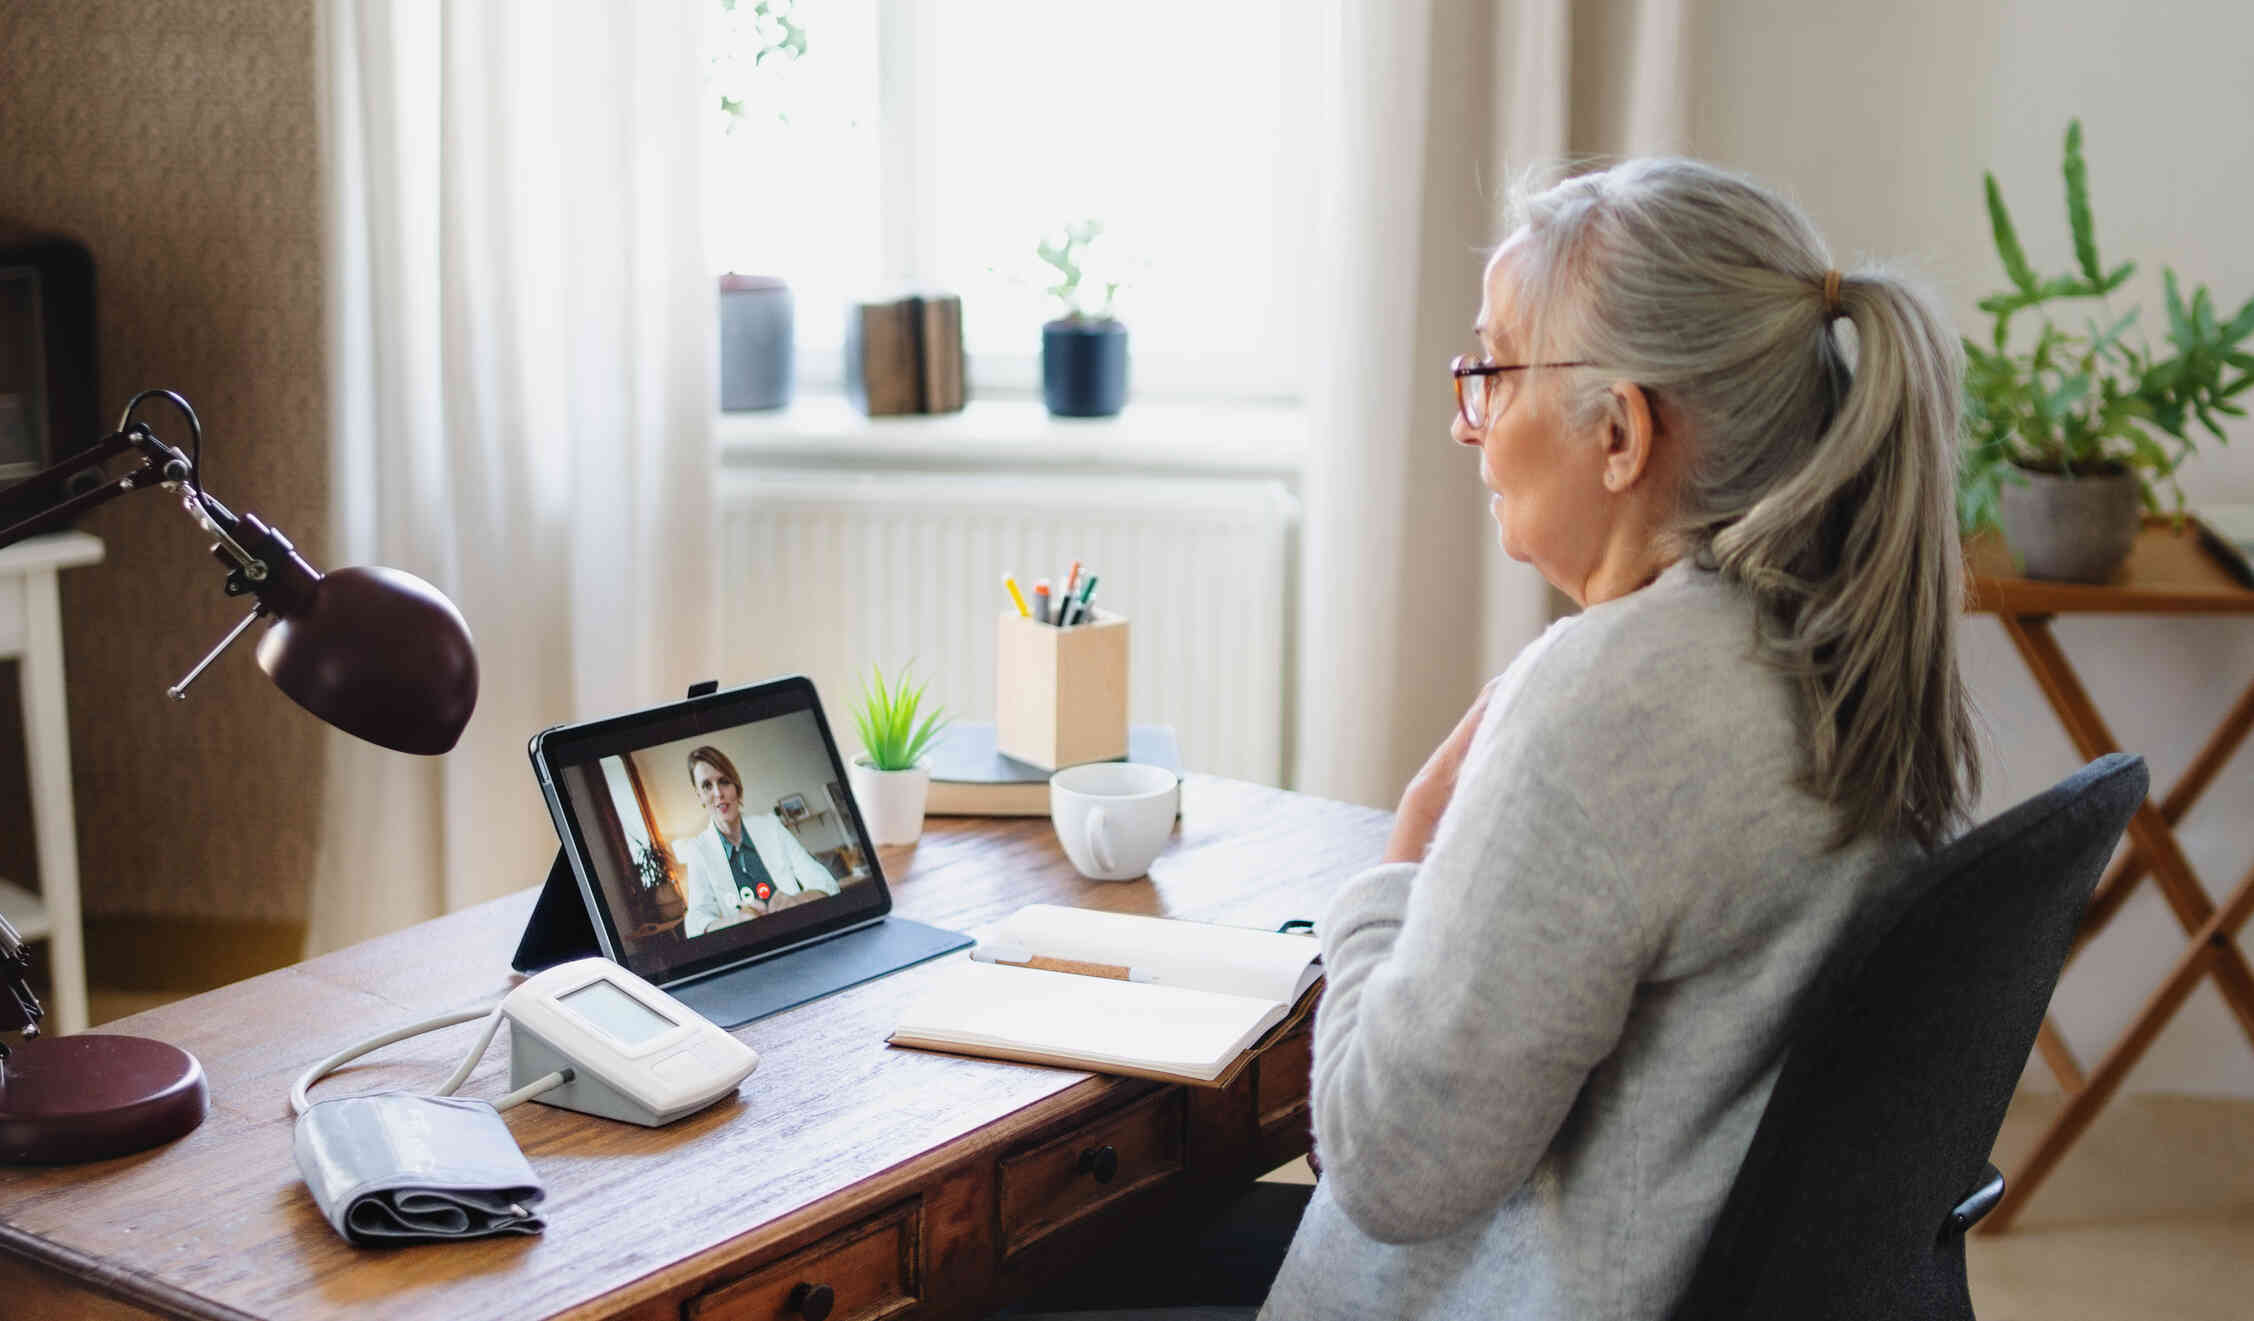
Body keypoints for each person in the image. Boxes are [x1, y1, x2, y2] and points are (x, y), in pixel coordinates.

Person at [1010, 157, 1980, 1321]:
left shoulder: (1612, 700)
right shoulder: (1826, 641)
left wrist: (1404, 850)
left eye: (1490, 371)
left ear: (1617, 432)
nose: (1467, 426)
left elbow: (1383, 1165)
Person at [673, 746, 842, 937]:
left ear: (736, 786)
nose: (718, 793)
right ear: (699, 795)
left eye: (724, 781)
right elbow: (696, 923)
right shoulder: (698, 850)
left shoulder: (771, 826)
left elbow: (825, 882)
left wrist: (799, 900)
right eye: (707, 786)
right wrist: (736, 921)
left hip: (799, 933)